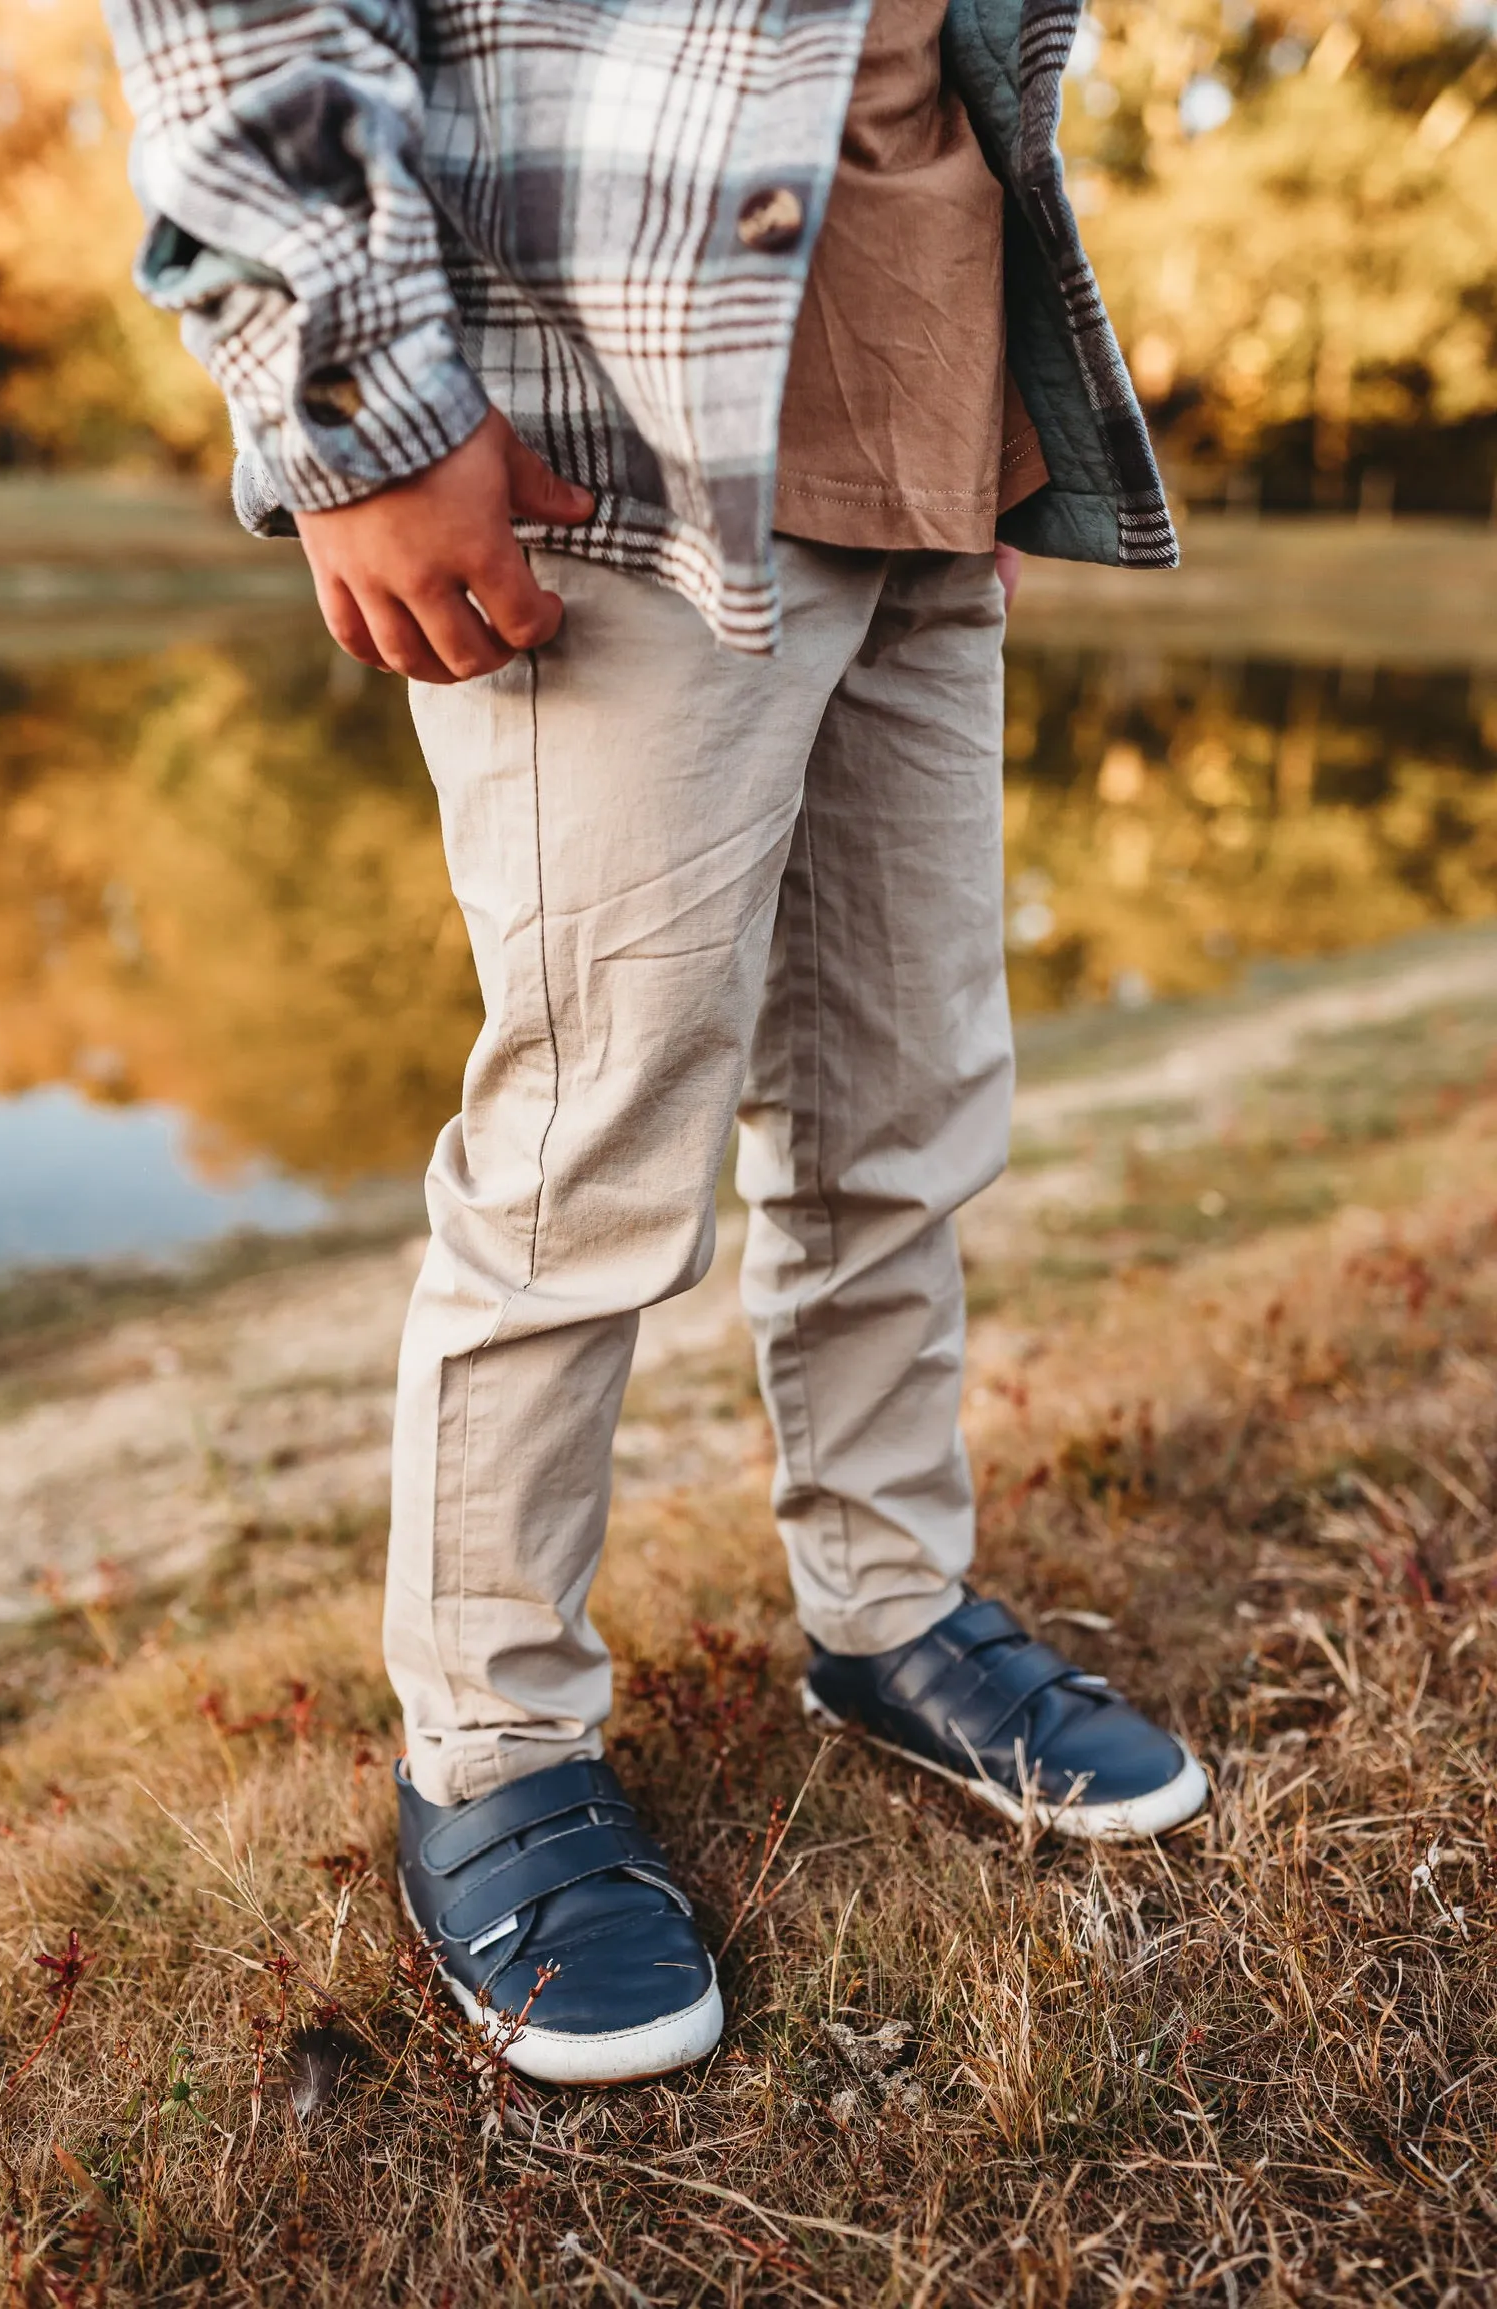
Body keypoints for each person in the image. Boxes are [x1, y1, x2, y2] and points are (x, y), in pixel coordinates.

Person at [105, 0, 1205, 2087]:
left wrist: (962, 397)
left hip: (918, 411)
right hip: (595, 442)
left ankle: (890, 1608)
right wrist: (358, 403)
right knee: (588, 1152)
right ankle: (494, 1741)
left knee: (904, 1106)